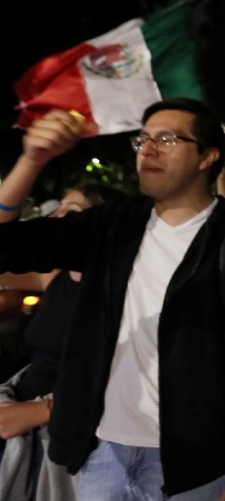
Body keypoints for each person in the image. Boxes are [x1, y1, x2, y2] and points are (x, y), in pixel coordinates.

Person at [0, 102, 225, 499]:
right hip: (102, 453)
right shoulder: (114, 224)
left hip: (197, 466)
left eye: (166, 139)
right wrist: (32, 160)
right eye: (142, 139)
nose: (148, 149)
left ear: (207, 157)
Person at [0, 177, 124, 501]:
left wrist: (42, 411)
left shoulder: (118, 292)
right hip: (17, 412)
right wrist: (29, 164)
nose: (57, 217)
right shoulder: (52, 274)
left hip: (61, 431)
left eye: (72, 210)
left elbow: (122, 375)